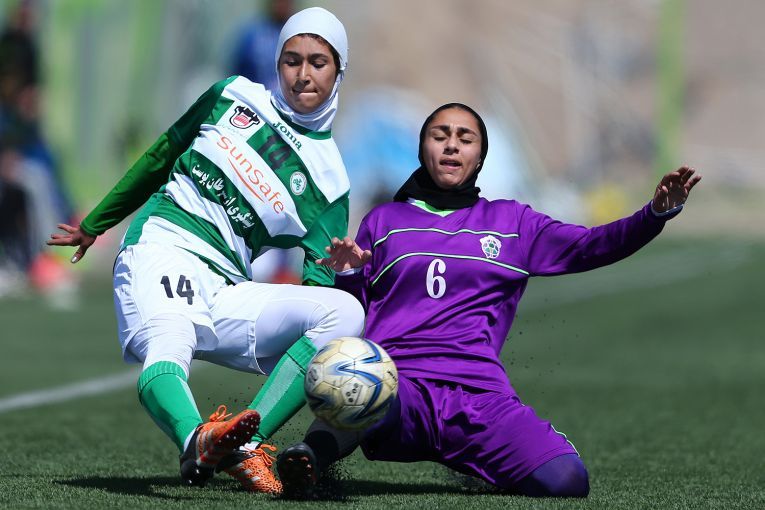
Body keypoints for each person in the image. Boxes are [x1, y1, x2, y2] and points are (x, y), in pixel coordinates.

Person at [275, 103, 702, 497]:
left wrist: (653, 215)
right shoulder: (384, 221)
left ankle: (478, 462)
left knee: (567, 480)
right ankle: (310, 458)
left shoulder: (513, 222)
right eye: (440, 135)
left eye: (465, 138)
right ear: (423, 149)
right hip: (401, 390)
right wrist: (349, 273)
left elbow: (592, 245)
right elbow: (354, 317)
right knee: (357, 382)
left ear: (479, 157)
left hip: (479, 396)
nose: (451, 145)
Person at [48, 7, 363, 495]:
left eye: (318, 62)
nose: (303, 74)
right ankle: (196, 437)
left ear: (339, 71)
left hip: (227, 287)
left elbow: (316, 286)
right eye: (291, 60)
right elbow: (162, 153)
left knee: (344, 313)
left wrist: (340, 271)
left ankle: (244, 444)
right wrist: (96, 223)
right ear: (277, 63)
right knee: (169, 340)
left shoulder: (331, 183)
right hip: (165, 245)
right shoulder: (232, 95)